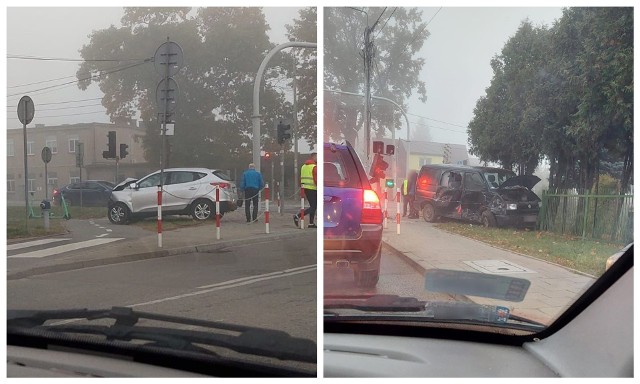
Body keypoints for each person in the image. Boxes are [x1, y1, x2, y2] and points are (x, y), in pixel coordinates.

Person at [294, 153, 317, 228]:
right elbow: (316, 179)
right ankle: (298, 216)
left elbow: (301, 177)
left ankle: (311, 223)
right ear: (313, 157)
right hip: (313, 188)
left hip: (305, 188)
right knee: (313, 206)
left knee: (312, 206)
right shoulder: (314, 167)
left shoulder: (303, 166)